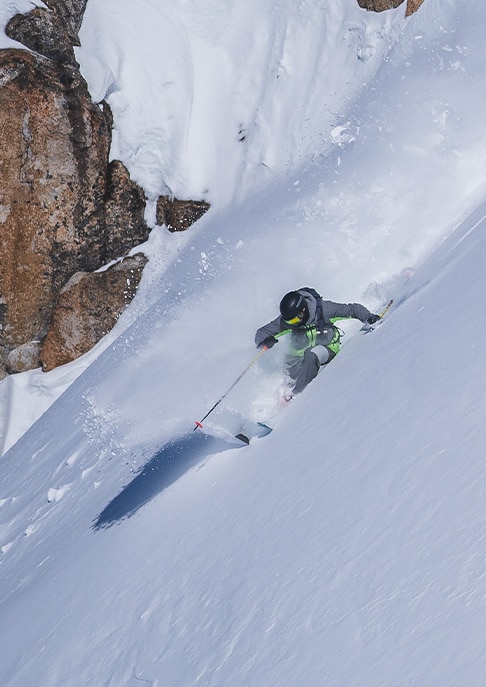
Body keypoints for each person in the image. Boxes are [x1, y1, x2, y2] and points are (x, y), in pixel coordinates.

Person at [254, 287, 380, 395]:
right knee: (285, 379)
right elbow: (262, 332)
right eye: (289, 322)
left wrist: (368, 317)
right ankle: (275, 406)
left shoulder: (324, 310)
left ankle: (296, 397)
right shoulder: (288, 320)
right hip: (297, 358)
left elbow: (352, 309)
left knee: (312, 354)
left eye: (294, 321)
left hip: (326, 349)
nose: (293, 324)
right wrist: (265, 340)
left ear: (303, 310)